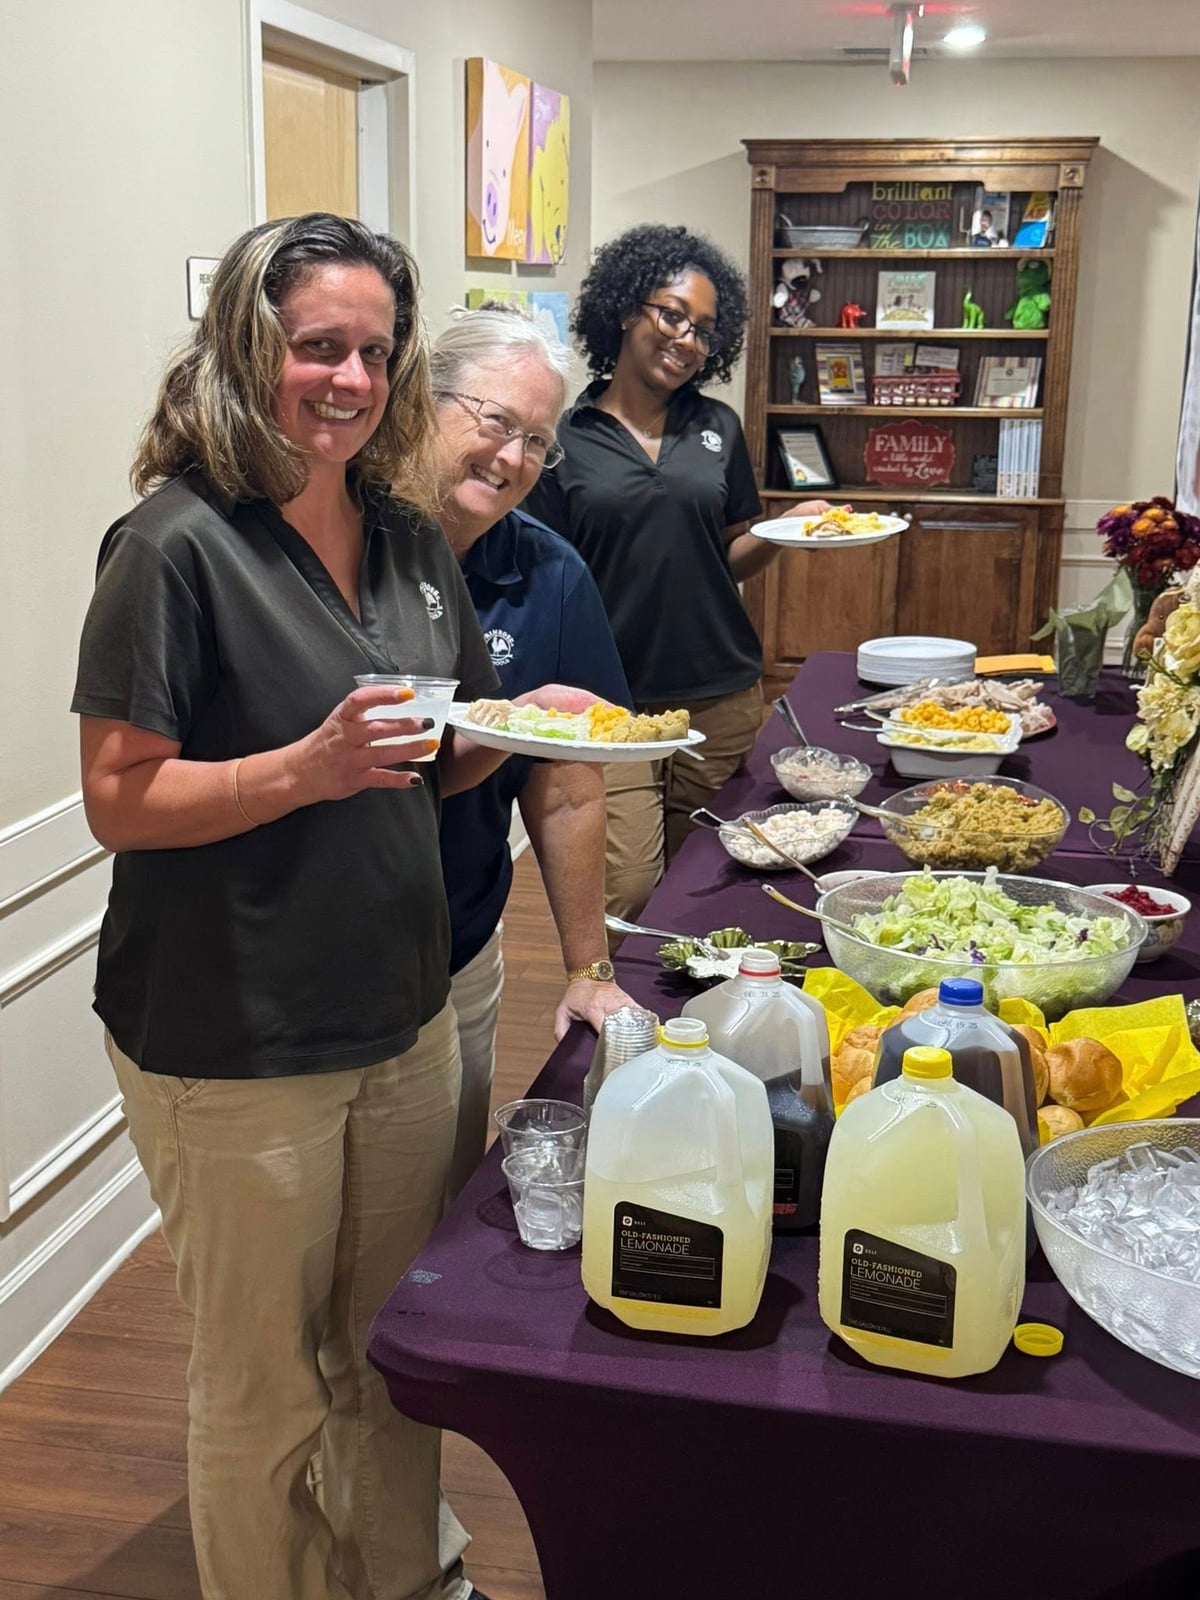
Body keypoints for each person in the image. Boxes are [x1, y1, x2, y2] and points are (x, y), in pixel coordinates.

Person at [71, 214, 504, 1600]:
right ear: (248, 349)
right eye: (319, 346)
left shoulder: (406, 538)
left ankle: (401, 1580)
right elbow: (120, 800)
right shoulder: (173, 548)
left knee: (389, 1359)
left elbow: (433, 758)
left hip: (401, 1012)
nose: (351, 378)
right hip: (235, 1037)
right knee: (264, 1391)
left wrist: (535, 724)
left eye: (375, 351)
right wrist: (302, 769)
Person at [524, 222, 830, 922]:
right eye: (671, 315)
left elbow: (728, 554)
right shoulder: (564, 443)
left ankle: (700, 1024)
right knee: (628, 886)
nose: (687, 340)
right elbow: (549, 580)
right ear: (627, 309)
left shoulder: (717, 427)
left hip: (720, 693)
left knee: (714, 878)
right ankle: (622, 1024)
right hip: (613, 701)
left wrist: (783, 535)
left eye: (704, 330)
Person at [430, 306, 636, 1196]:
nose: (512, 459)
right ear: (419, 403)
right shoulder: (339, 551)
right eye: (494, 423)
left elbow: (566, 785)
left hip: (459, 943)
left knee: (428, 1211)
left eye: (537, 442)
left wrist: (588, 969)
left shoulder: (548, 574)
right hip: (313, 962)